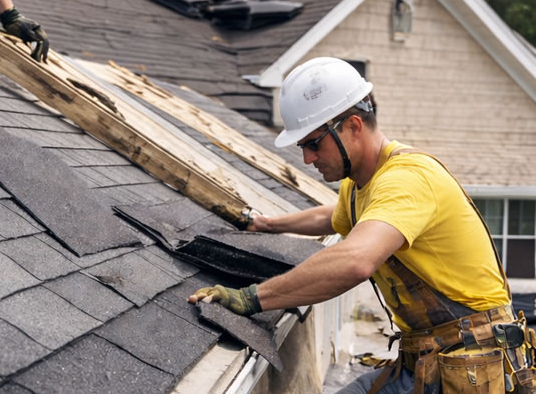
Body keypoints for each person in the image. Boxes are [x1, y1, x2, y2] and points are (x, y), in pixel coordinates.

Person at [188, 57, 528, 393]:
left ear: (352, 126)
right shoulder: (360, 185)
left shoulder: (408, 180)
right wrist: (267, 224)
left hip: (473, 367)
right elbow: (332, 216)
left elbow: (355, 260)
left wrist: (251, 298)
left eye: (312, 143)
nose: (306, 158)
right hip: (428, 360)